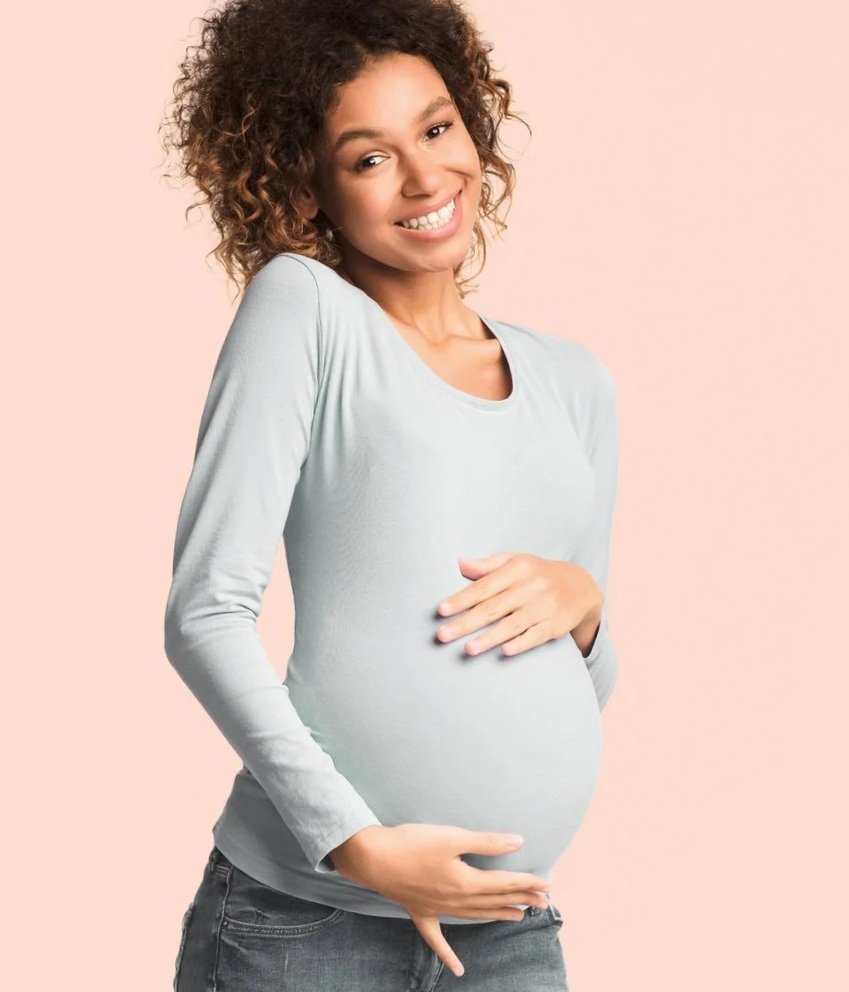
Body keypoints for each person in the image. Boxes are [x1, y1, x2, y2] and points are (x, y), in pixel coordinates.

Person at [160, 0, 621, 988]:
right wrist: (354, 843)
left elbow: (585, 685)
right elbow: (204, 610)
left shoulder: (573, 379)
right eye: (368, 157)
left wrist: (585, 610)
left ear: (475, 127)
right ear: (308, 188)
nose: (421, 177)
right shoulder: (306, 310)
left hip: (507, 924)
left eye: (436, 127)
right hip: (308, 920)